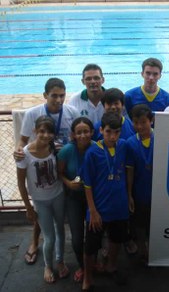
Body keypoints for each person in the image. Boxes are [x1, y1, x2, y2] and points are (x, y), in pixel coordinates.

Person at [14, 77, 79, 266]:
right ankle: (35, 242)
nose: (59, 100)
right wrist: (19, 151)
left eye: (62, 95)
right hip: (44, 164)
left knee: (60, 210)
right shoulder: (33, 113)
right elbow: (23, 140)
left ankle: (64, 250)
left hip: (63, 167)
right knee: (41, 211)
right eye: (54, 96)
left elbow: (77, 136)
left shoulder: (71, 112)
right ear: (45, 95)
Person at [81, 112, 134, 291]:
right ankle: (87, 278)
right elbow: (87, 184)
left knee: (116, 239)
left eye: (117, 132)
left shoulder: (124, 146)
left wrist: (129, 196)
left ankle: (111, 265)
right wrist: (92, 211)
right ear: (101, 130)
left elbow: (128, 172)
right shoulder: (92, 153)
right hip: (98, 208)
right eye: (109, 132)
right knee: (91, 246)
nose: (113, 136)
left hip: (119, 205)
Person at [16, 116, 69, 283]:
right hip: (40, 201)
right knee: (49, 236)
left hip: (58, 195)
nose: (46, 135)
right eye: (42, 131)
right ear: (34, 132)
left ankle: (60, 261)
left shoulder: (56, 148)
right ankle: (48, 265)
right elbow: (21, 183)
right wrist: (28, 207)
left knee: (60, 230)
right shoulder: (24, 154)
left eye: (50, 132)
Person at [57, 117, 94, 283]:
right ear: (73, 134)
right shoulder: (66, 151)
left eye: (86, 131)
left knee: (95, 234)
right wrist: (68, 183)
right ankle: (83, 266)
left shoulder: (96, 148)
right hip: (74, 198)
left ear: (92, 132)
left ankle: (93, 263)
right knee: (77, 238)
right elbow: (59, 173)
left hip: (93, 198)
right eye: (79, 132)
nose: (83, 135)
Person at [126, 104, 155, 264]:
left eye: (143, 122)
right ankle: (142, 249)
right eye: (135, 122)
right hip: (139, 190)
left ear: (151, 121)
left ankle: (154, 249)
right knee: (139, 222)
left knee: (154, 221)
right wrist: (129, 194)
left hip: (157, 190)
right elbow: (129, 171)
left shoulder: (161, 137)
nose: (139, 126)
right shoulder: (130, 143)